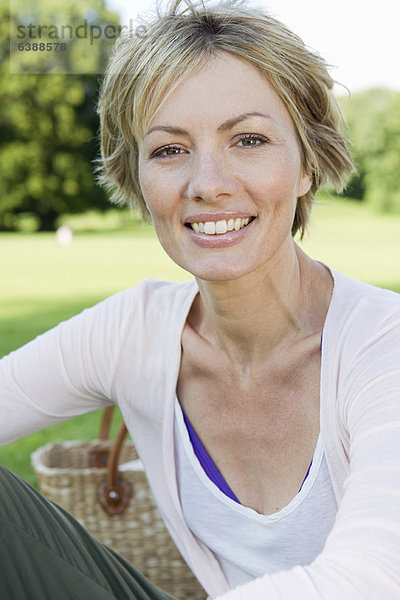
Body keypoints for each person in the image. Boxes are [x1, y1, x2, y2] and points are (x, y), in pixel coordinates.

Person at [1, 0, 400, 598]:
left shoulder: (383, 346)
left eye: (248, 139)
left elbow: (373, 578)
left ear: (307, 167)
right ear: (137, 178)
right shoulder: (132, 332)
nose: (207, 183)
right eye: (169, 149)